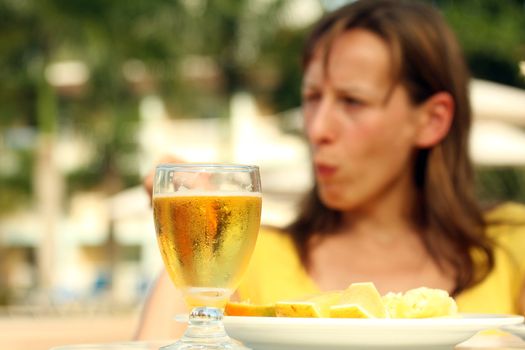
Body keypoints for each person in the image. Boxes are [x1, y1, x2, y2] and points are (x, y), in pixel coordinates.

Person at [135, 0, 525, 340]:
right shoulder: (252, 258)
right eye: (311, 98)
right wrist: (195, 233)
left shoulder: (513, 244)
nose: (317, 128)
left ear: (432, 120)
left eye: (352, 102)